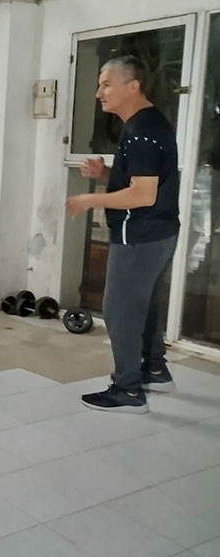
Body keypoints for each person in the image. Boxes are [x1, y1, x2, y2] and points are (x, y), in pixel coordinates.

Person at [66, 56, 180, 414]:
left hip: (139, 236)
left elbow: (143, 195)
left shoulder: (143, 131)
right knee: (143, 305)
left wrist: (89, 199)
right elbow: (143, 180)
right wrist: (106, 174)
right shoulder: (145, 124)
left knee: (119, 310)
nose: (99, 92)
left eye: (106, 84)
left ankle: (128, 390)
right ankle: (155, 370)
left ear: (133, 86)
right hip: (156, 233)